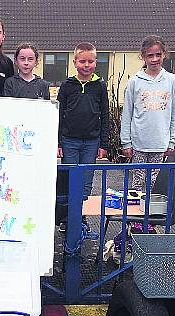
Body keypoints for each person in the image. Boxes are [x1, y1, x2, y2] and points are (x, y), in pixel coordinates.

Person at [120, 35, 175, 194]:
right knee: (138, 181)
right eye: (150, 55)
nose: (154, 59)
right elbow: (127, 113)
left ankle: (151, 216)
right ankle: (135, 218)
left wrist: (172, 141)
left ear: (164, 54)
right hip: (138, 143)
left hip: (160, 143)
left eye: (158, 55)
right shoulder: (135, 82)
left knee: (155, 183)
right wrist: (126, 142)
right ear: (143, 56)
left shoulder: (172, 81)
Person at [57, 42, 109, 200]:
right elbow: (58, 115)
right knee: (70, 179)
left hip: (91, 142)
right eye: (82, 61)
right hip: (69, 141)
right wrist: (58, 143)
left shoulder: (100, 86)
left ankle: (82, 217)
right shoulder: (67, 85)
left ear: (95, 62)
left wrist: (104, 144)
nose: (86, 65)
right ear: (74, 62)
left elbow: (105, 115)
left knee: (86, 181)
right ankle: (68, 218)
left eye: (90, 61)